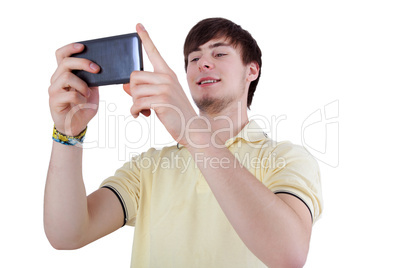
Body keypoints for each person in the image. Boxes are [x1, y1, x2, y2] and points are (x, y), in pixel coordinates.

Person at [45, 18, 323, 267]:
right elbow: (67, 235)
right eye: (193, 59)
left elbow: (289, 253)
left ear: (252, 70)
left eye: (219, 53)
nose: (203, 63)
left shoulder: (286, 158)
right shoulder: (149, 168)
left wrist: (192, 130)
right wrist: (68, 134)